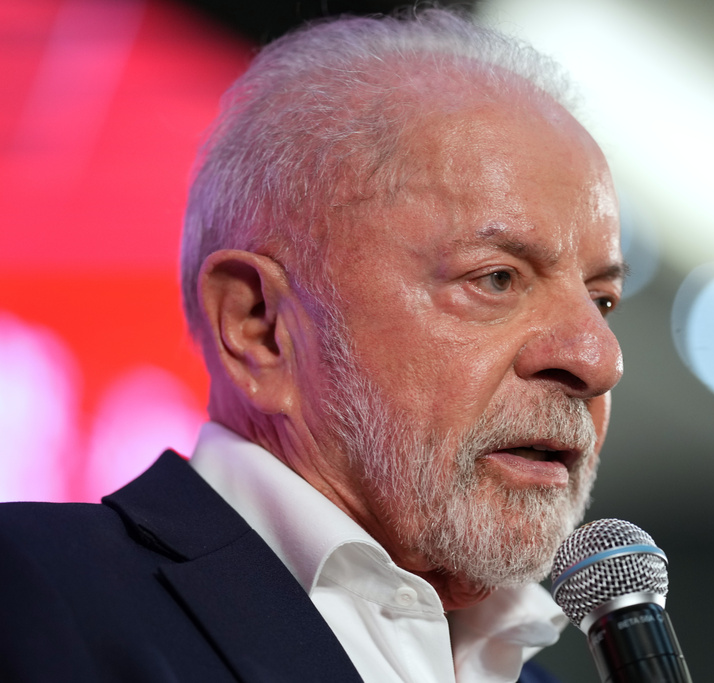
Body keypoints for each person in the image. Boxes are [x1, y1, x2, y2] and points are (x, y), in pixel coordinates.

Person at [0, 8, 624, 682]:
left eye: (602, 299)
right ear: (259, 326)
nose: (598, 356)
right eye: (496, 278)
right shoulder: (30, 596)